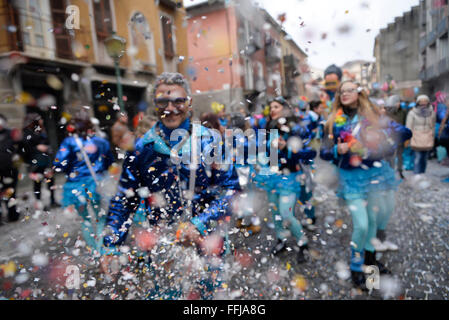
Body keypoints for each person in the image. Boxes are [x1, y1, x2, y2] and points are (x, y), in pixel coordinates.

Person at [99, 72, 241, 300]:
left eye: (178, 101)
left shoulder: (209, 140)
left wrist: (199, 224)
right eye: (163, 101)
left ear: (189, 102)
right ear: (155, 104)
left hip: (208, 242)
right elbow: (125, 200)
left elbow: (231, 191)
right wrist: (110, 244)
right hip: (164, 248)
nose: (171, 108)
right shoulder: (142, 148)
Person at [320, 80, 411, 290]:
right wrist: (337, 151)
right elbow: (324, 151)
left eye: (350, 90)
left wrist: (380, 142)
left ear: (359, 93)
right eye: (342, 91)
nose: (345, 93)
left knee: (372, 222)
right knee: (361, 224)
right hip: (351, 179)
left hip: (374, 175)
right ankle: (355, 267)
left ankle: (370, 263)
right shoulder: (333, 121)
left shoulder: (373, 117)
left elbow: (404, 133)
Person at [253, 96, 316, 263]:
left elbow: (309, 153)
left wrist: (287, 149)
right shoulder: (269, 128)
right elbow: (264, 154)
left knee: (286, 213)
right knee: (276, 214)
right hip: (272, 177)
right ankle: (282, 239)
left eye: (276, 106)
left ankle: (303, 243)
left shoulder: (295, 129)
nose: (273, 110)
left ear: (285, 109)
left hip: (290, 178)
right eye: (271, 107)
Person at [53, 110, 115, 255]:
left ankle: (94, 251)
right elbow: (109, 162)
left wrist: (71, 168)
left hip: (75, 187)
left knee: (84, 219)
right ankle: (101, 248)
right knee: (101, 217)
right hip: (96, 183)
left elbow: (58, 165)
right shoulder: (100, 141)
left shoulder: (69, 142)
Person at [20, 112, 58, 209]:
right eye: (40, 119)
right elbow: (24, 149)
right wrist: (37, 148)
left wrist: (47, 148)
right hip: (35, 163)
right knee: (37, 183)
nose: (42, 120)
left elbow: (47, 143)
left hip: (46, 161)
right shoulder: (27, 132)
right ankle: (39, 203)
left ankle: (53, 200)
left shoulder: (41, 130)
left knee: (50, 181)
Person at [406, 95, 436, 175]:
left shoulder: (432, 113)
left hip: (427, 138)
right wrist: (409, 137)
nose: (423, 103)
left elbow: (433, 125)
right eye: (421, 101)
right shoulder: (412, 113)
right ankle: (417, 175)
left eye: (425, 101)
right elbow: (409, 126)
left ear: (428, 102)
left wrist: (432, 134)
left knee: (425, 158)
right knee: (418, 157)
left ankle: (422, 174)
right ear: (418, 102)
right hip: (416, 138)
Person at [0, 114, 21, 224]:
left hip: (9, 169)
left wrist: (17, 158)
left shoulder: (11, 133)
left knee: (10, 192)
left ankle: (12, 214)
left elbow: (21, 146)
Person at [384, 95, 408, 179]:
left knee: (400, 155)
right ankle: (389, 172)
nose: (397, 104)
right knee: (389, 156)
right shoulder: (387, 112)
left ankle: (400, 171)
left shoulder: (403, 112)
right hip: (389, 137)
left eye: (399, 102)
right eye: (395, 102)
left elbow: (405, 124)